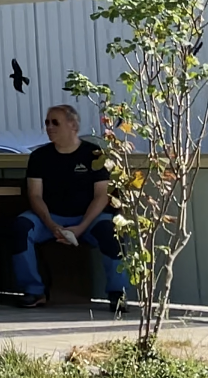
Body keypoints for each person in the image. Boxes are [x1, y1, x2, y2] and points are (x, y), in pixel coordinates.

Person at [9, 104, 128, 312]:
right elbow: (34, 195)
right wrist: (51, 224)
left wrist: (81, 226)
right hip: (50, 219)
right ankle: (34, 291)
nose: (49, 127)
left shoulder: (94, 154)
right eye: (47, 122)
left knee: (111, 232)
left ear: (73, 125)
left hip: (89, 219)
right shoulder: (39, 157)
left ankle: (118, 294)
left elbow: (102, 196)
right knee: (21, 227)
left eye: (55, 122)